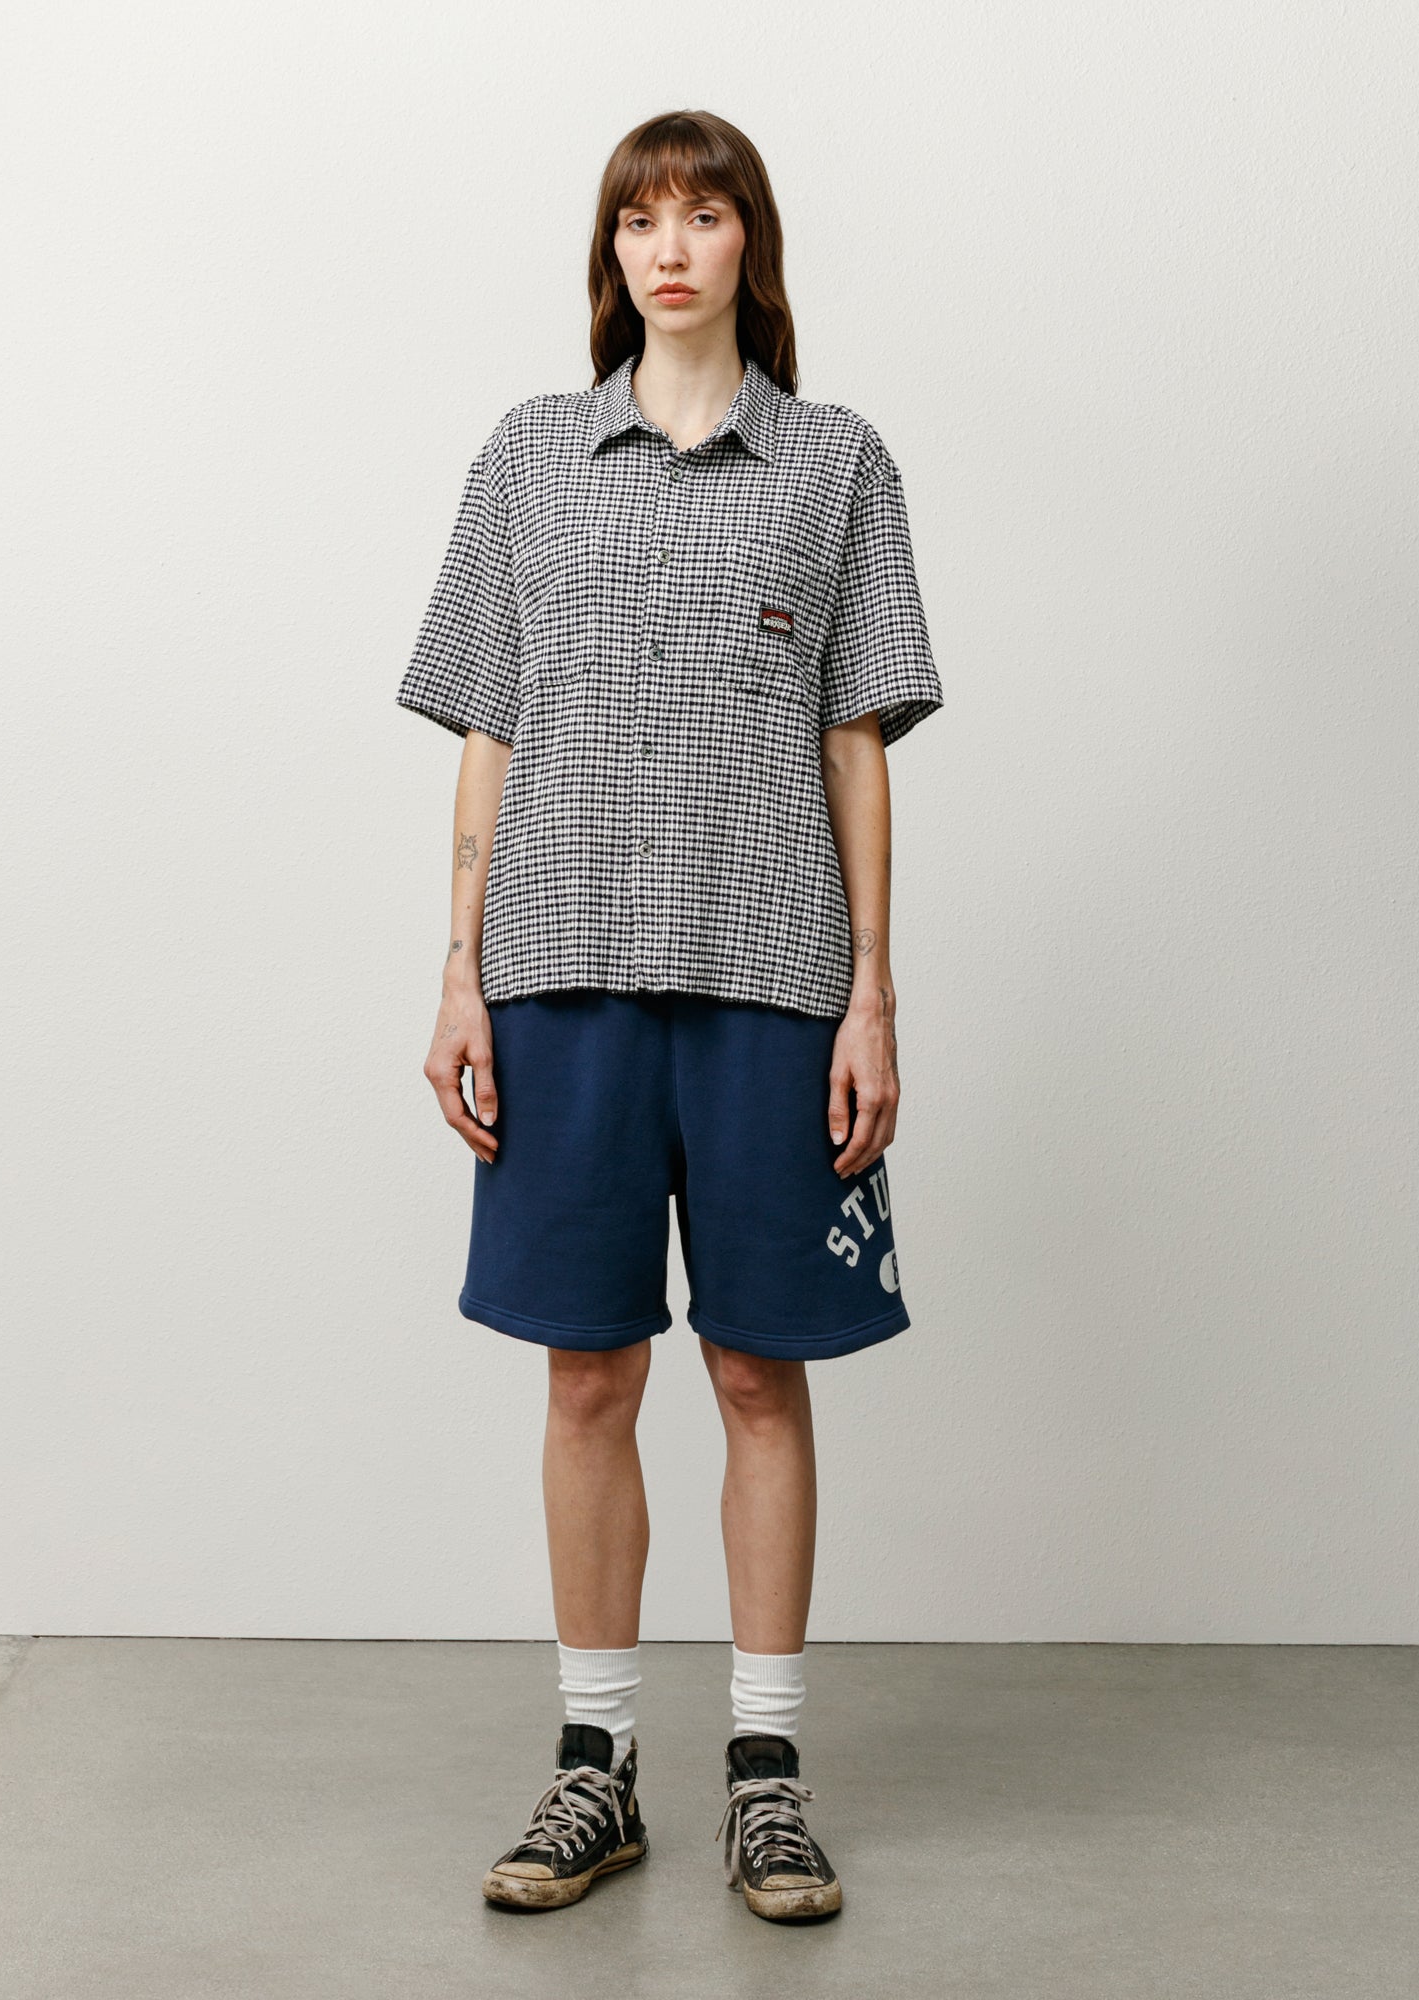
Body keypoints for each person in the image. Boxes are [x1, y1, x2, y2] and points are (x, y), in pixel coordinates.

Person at [397, 108, 944, 1923]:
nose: (672, 247)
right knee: (588, 1372)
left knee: (759, 1371)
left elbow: (855, 742)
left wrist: (873, 990)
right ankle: (596, 1768)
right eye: (643, 219)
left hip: (774, 977)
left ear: (747, 245)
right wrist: (458, 967)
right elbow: (487, 727)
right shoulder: (529, 457)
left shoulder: (835, 462)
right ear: (611, 252)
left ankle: (767, 1777)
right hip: (557, 970)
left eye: (705, 215)